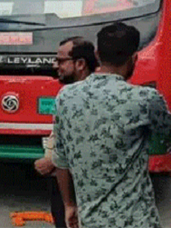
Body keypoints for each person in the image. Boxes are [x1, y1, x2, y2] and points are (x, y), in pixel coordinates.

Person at [52, 23, 171, 228]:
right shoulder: (144, 99)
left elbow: (61, 160)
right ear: (134, 58)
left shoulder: (66, 97)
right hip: (137, 221)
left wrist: (69, 205)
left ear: (97, 55)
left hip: (91, 221)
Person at [34, 37, 97, 228]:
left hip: (77, 183)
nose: (55, 66)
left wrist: (51, 160)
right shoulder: (69, 94)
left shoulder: (88, 96)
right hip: (63, 182)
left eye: (61, 61)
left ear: (80, 64)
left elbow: (85, 142)